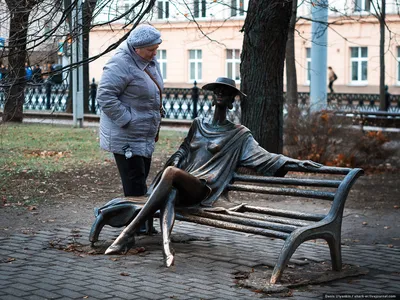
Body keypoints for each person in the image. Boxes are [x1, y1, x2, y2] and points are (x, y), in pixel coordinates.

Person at [104, 77, 322, 267]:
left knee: (170, 173)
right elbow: (183, 150)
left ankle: (127, 233)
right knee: (169, 190)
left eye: (226, 92)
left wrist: (298, 163)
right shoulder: (198, 124)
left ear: (231, 100)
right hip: (182, 184)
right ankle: (166, 248)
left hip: (204, 189)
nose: (220, 93)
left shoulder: (239, 135)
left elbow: (266, 158)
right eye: (217, 90)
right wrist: (179, 159)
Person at [96, 24, 163, 230]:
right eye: (151, 49)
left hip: (144, 133)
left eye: (156, 48)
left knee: (141, 179)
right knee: (134, 182)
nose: (154, 53)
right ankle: (135, 227)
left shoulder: (148, 61)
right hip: (126, 135)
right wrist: (128, 120)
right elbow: (105, 97)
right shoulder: (120, 64)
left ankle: (142, 224)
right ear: (136, 48)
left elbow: (153, 91)